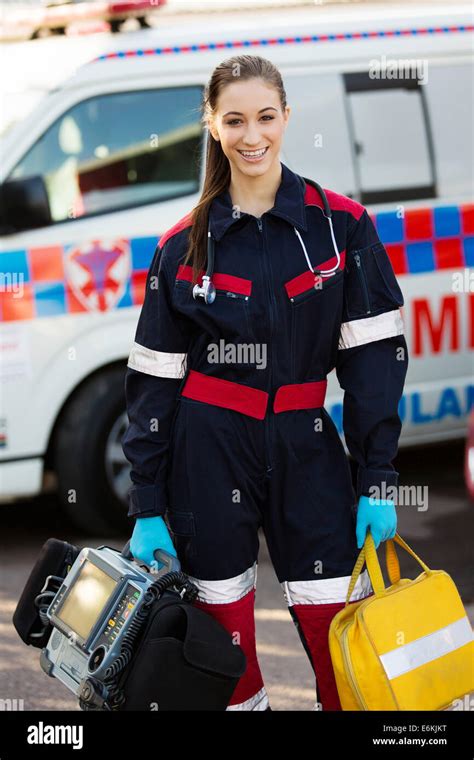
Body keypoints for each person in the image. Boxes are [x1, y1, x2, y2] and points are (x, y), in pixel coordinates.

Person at [121, 54, 408, 711]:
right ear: (212, 126)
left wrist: (378, 476)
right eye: (235, 120)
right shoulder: (182, 248)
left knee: (341, 629)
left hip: (308, 446)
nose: (253, 135)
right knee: (222, 644)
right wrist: (147, 503)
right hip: (208, 447)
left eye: (266, 117)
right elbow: (154, 382)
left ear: (286, 118)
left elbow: (373, 360)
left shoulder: (341, 228)